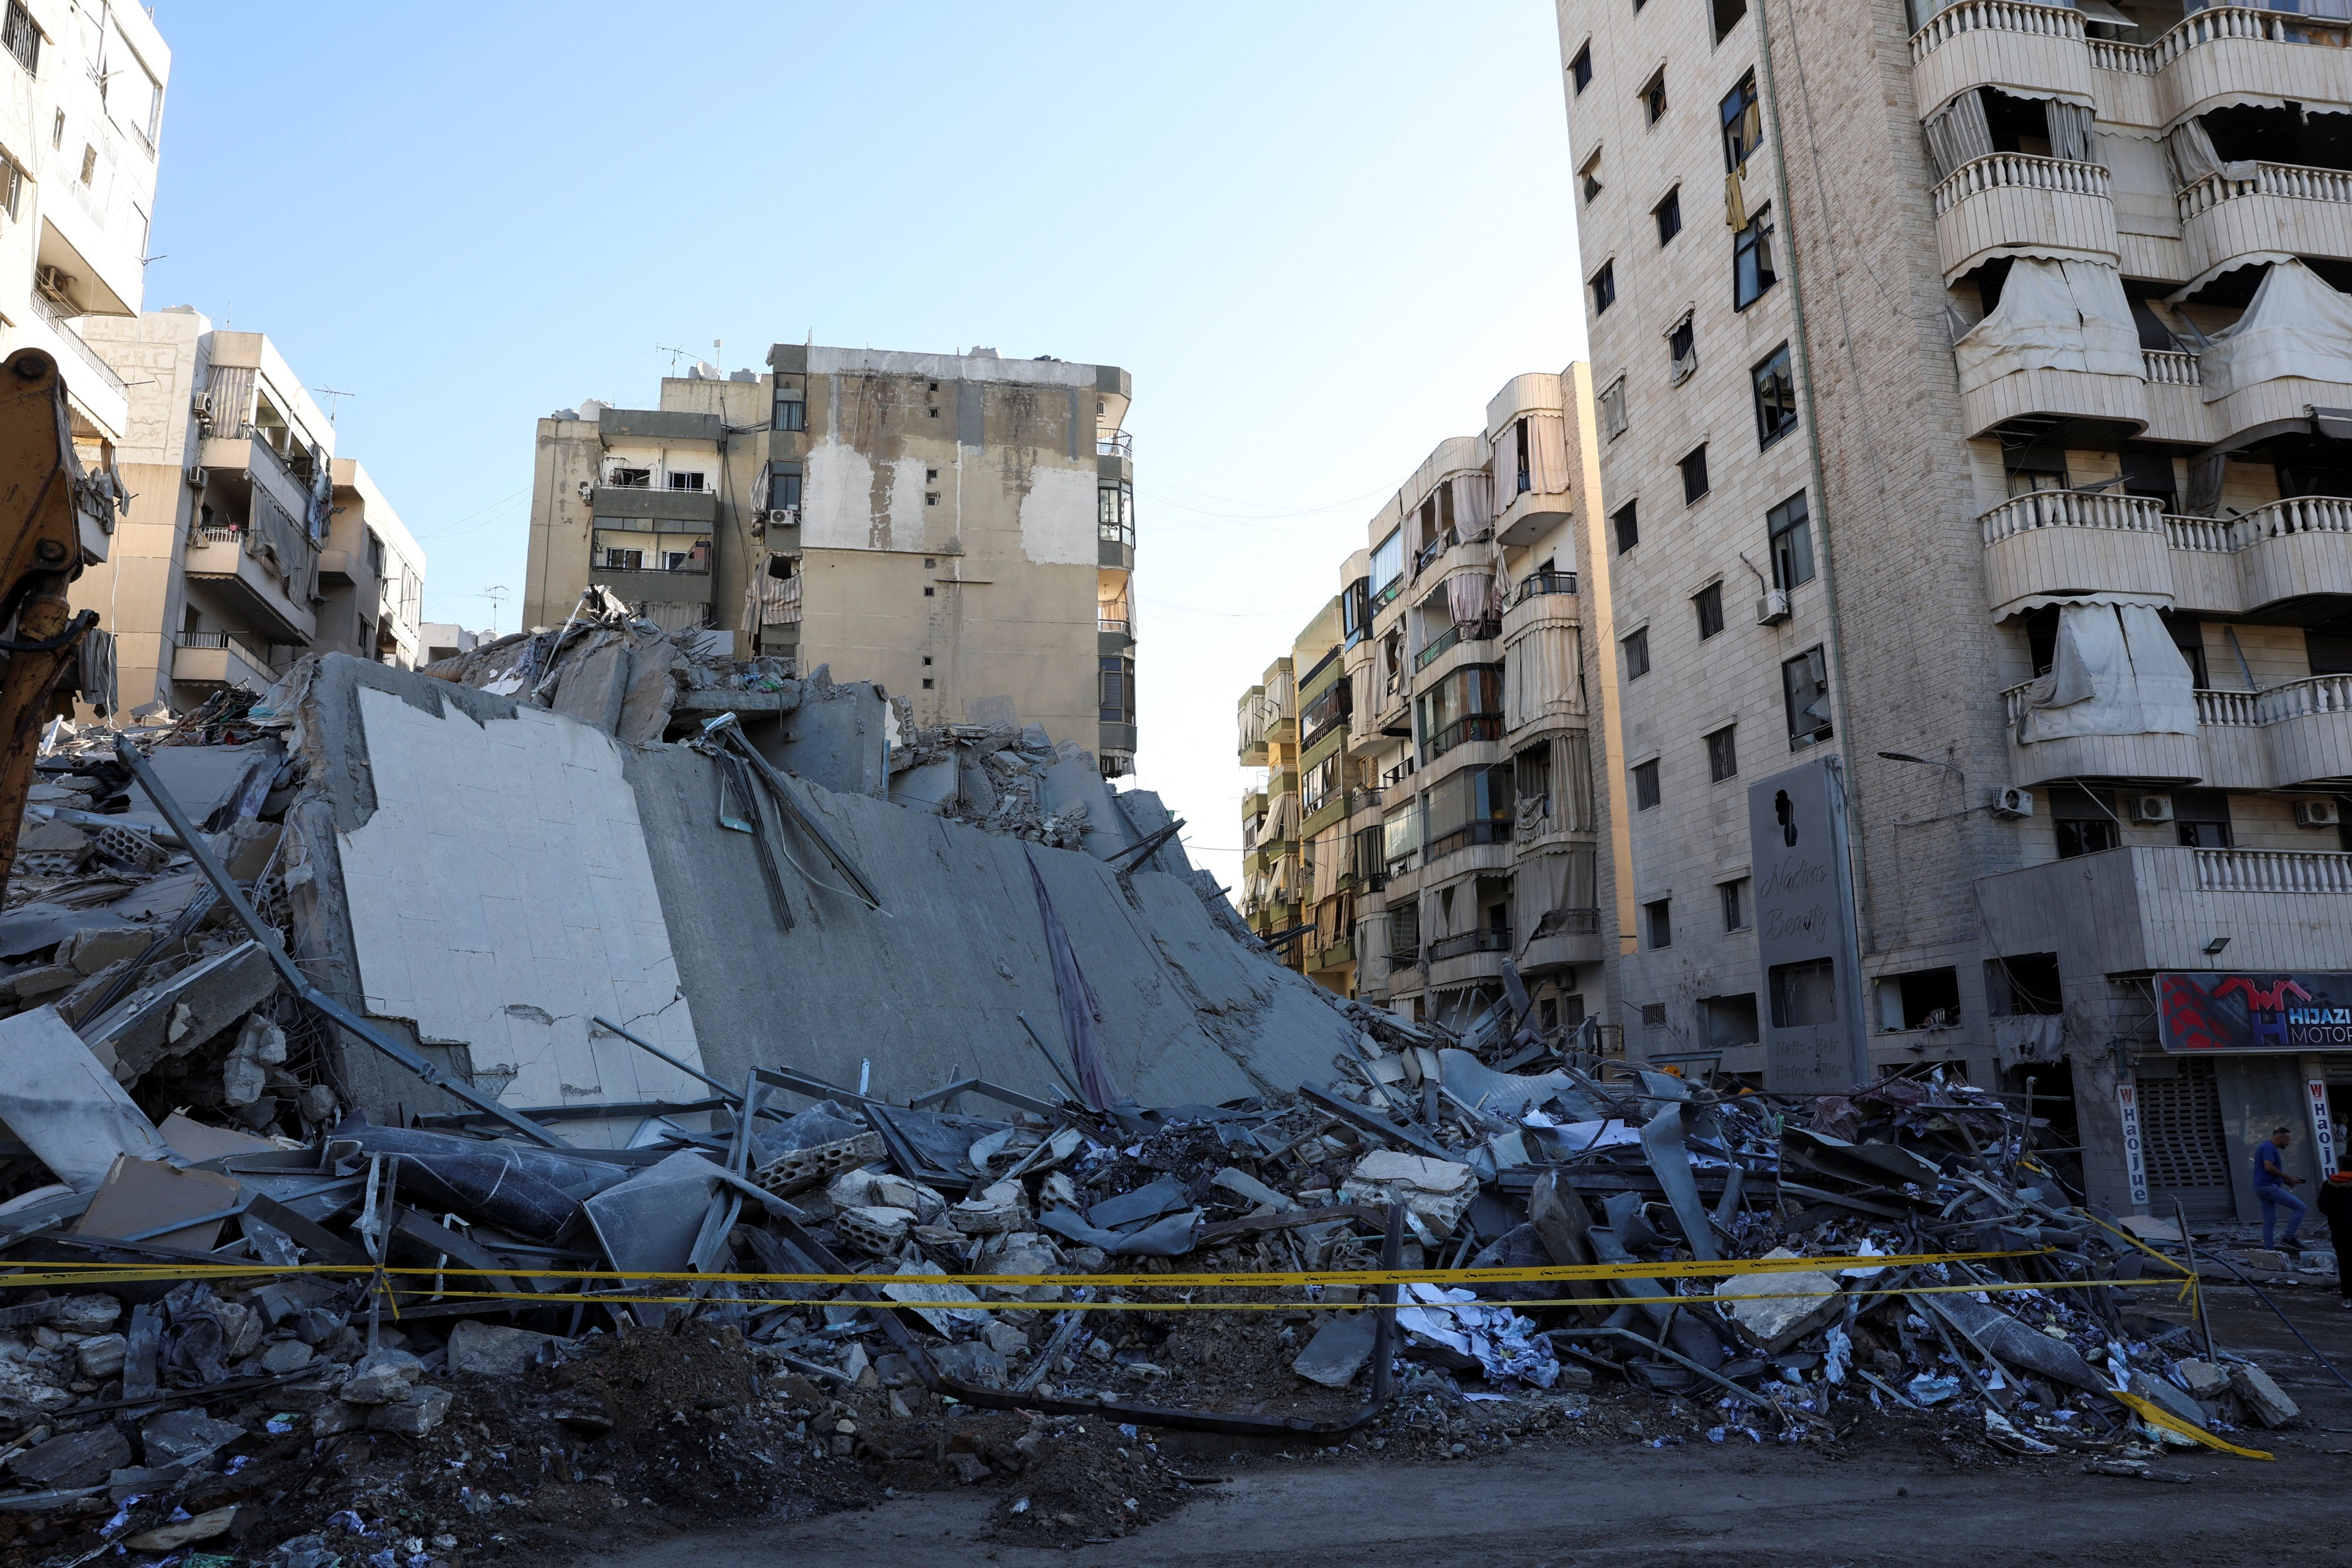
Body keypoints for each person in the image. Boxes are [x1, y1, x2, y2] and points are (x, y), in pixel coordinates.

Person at [2253, 1125, 2306, 1255]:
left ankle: (2270, 1251)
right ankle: (2289, 1237)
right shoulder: (2269, 1148)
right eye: (2287, 1140)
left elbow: (2269, 1171)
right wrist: (2287, 1177)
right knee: (2301, 1207)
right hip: (2267, 1187)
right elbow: (2269, 1168)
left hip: (2261, 1186)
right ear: (2279, 1137)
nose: (2289, 1143)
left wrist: (2286, 1180)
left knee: (2270, 1220)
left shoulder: (2267, 1147)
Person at [2318, 1154, 2352, 1309]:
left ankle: (2348, 1296)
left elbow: (2322, 1206)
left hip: (2339, 1230)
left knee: (2344, 1263)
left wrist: (2335, 1216)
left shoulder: (2329, 1184)